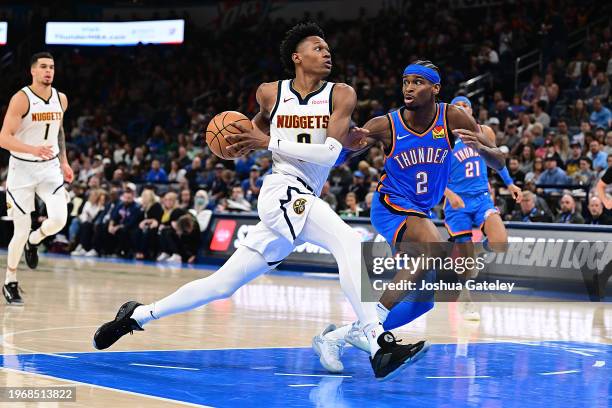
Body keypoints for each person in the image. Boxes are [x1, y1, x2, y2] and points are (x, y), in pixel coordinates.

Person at [94, 22, 426, 381]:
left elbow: (328, 154)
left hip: (304, 197)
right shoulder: (269, 93)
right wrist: (236, 143)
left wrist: (267, 141)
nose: (326, 52)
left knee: (222, 285)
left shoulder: (341, 94)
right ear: (297, 57)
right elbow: (246, 134)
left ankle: (138, 315)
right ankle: (377, 342)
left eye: (328, 48)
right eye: (317, 47)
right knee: (346, 240)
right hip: (281, 191)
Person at [312, 61, 504, 372]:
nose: (409, 88)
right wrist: (343, 144)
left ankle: (335, 338)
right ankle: (372, 327)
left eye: (417, 82)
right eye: (405, 82)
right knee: (434, 246)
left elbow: (499, 160)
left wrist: (480, 149)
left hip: (421, 210)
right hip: (391, 205)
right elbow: (340, 153)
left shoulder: (452, 116)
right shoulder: (385, 125)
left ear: (435, 88)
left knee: (422, 302)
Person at [0, 52, 73, 304]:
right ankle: (10, 281)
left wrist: (64, 161)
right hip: (22, 169)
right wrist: (32, 149)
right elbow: (3, 138)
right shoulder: (21, 99)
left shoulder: (61, 99)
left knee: (59, 219)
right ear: (33, 71)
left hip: (49, 167)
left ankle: (35, 239)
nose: (48, 71)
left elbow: (59, 131)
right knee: (19, 229)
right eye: (43, 67)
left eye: (51, 67)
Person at [443, 96, 522, 246]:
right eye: (457, 106)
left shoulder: (485, 131)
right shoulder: (441, 139)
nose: (461, 108)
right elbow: (432, 176)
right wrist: (449, 194)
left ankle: (477, 251)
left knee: (500, 243)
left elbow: (497, 159)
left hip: (481, 197)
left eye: (465, 105)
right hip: (457, 200)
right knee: (466, 265)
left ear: (471, 110)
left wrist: (510, 183)